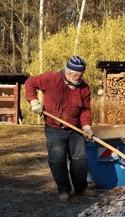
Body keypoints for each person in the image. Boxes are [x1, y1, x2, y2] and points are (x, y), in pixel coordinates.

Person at [25, 56, 96, 203]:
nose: (81, 78)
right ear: (69, 73)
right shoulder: (51, 78)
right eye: (79, 75)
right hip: (54, 128)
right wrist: (33, 101)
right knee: (58, 160)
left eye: (82, 75)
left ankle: (81, 188)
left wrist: (87, 126)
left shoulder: (84, 88)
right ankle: (63, 190)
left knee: (80, 159)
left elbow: (85, 110)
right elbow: (29, 83)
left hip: (76, 129)